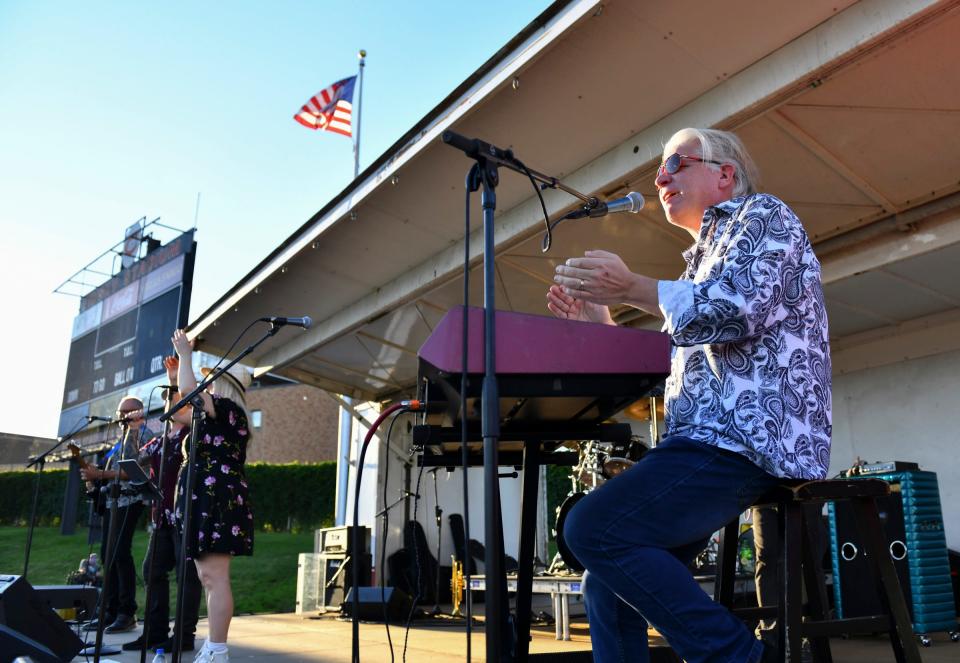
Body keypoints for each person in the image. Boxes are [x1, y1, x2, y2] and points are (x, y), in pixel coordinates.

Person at [547, 127, 831, 663]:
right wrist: (601, 322)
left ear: (725, 175)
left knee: (591, 527)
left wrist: (631, 287)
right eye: (660, 169)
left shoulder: (764, 216)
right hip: (704, 444)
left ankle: (741, 658)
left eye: (676, 163)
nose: (660, 178)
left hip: (748, 439)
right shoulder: (696, 265)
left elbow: (734, 310)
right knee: (604, 587)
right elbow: (668, 364)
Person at [170, 329, 254, 663]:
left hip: (216, 498)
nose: (208, 384)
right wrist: (174, 375)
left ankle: (218, 649)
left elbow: (189, 393)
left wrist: (187, 357)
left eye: (212, 380)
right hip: (204, 497)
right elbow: (178, 412)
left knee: (214, 576)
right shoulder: (212, 411)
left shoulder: (229, 408)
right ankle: (213, 646)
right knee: (208, 577)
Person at [123, 356, 204, 653]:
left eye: (173, 400)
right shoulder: (160, 440)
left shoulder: (189, 432)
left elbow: (188, 400)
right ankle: (155, 632)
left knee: (187, 576)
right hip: (162, 518)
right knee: (152, 570)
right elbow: (133, 460)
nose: (169, 404)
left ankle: (184, 635)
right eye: (168, 400)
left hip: (186, 516)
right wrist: (132, 428)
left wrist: (174, 378)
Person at [79, 396, 153, 634]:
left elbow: (134, 468)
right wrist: (93, 478)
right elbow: (112, 469)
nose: (124, 416)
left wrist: (101, 474)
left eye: (129, 411)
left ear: (140, 412)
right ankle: (108, 611)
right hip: (113, 501)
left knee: (120, 552)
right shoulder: (119, 438)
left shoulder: (146, 434)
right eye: (121, 412)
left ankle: (126, 612)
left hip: (131, 499)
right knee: (107, 553)